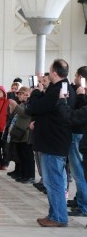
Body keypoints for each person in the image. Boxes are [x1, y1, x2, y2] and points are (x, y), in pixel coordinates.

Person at [25, 59, 76, 227]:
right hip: (55, 140)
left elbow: (34, 108)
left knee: (54, 181)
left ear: (54, 72)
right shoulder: (63, 88)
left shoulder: (57, 91)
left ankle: (58, 217)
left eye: (49, 70)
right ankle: (55, 214)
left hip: (52, 142)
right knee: (54, 181)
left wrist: (36, 92)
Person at [61, 66, 87, 217]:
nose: (75, 78)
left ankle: (84, 206)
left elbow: (81, 113)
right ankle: (79, 199)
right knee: (78, 170)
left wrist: (81, 96)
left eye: (77, 76)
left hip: (78, 134)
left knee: (79, 172)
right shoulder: (77, 89)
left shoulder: (83, 93)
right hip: (77, 133)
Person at [8, 87, 34, 182]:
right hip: (19, 132)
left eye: (21, 94)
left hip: (26, 133)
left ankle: (30, 175)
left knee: (27, 156)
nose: (19, 96)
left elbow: (25, 114)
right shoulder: (22, 104)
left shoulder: (29, 103)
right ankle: (23, 174)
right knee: (21, 156)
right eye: (18, 94)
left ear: (27, 94)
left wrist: (15, 106)